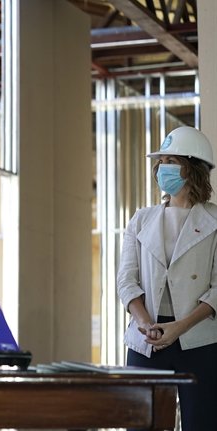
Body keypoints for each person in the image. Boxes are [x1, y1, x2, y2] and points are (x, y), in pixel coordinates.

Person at [117, 126, 217, 430]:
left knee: (202, 423)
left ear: (192, 167)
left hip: (198, 338)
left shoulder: (214, 220)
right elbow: (126, 280)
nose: (162, 168)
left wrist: (179, 327)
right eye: (160, 161)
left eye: (170, 160)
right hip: (146, 339)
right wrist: (146, 323)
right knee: (141, 422)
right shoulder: (140, 219)